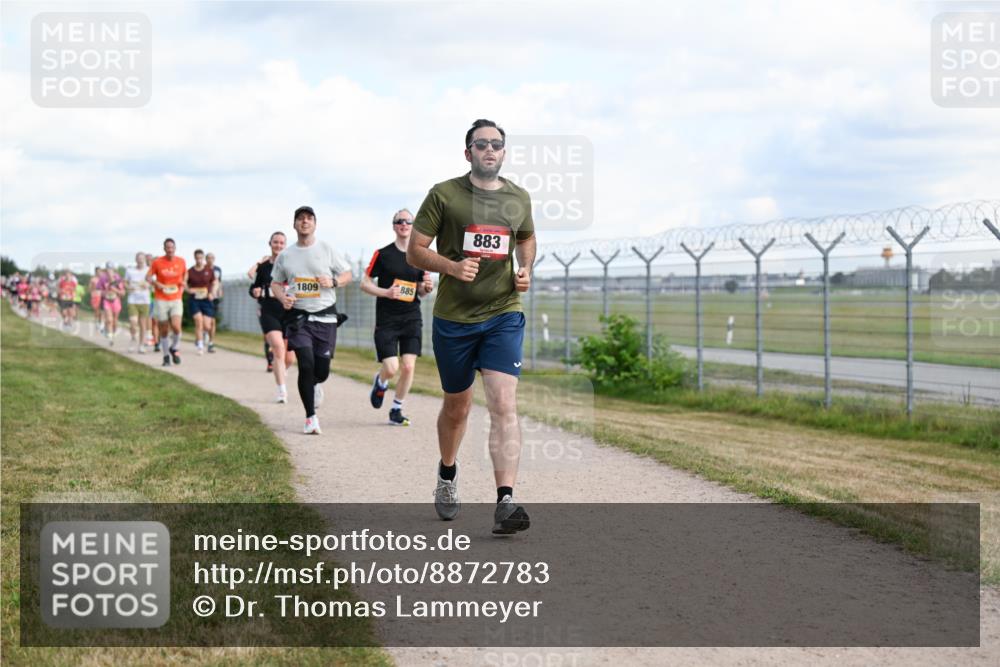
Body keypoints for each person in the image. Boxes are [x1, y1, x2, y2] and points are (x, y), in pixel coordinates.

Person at [407, 119, 536, 535]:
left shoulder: (518, 197)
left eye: (496, 145)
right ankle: (447, 474)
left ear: (504, 152)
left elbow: (527, 238)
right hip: (454, 319)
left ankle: (506, 501)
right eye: (481, 144)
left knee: (503, 403)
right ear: (468, 153)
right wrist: (452, 266)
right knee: (457, 407)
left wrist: (525, 268)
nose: (489, 150)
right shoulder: (444, 194)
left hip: (503, 313)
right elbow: (415, 251)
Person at [271, 206, 352, 435]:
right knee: (305, 364)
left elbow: (347, 274)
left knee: (321, 370)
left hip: (326, 317)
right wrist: (282, 297)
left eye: (309, 218)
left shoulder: (326, 249)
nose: (305, 222)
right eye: (300, 219)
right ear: (294, 224)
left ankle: (315, 384)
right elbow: (276, 283)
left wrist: (333, 282)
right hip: (299, 318)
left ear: (315, 224)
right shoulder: (286, 255)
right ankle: (310, 417)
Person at [361, 208, 434, 425]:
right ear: (394, 226)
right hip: (387, 319)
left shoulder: (419, 256)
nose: (404, 224)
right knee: (391, 367)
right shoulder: (382, 254)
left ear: (413, 227)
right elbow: (364, 284)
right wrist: (386, 292)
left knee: (409, 366)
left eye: (408, 222)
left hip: (411, 317)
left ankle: (396, 409)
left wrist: (426, 288)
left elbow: (420, 290)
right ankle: (381, 382)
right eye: (399, 221)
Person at [249, 232, 296, 403]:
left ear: (285, 245)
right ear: (270, 244)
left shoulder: (291, 265)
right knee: (277, 348)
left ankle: (281, 370)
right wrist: (255, 292)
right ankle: (281, 391)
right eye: (275, 242)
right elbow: (253, 287)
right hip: (269, 310)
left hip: (289, 312)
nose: (278, 245)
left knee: (289, 358)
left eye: (281, 243)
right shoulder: (263, 267)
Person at [147, 238, 187, 366]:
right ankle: (165, 357)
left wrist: (183, 282)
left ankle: (174, 347)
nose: (170, 249)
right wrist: (156, 283)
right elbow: (148, 277)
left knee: (176, 326)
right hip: (161, 299)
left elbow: (185, 274)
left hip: (176, 298)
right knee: (163, 329)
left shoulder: (181, 261)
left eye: (172, 247)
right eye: (167, 247)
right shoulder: (157, 262)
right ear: (164, 249)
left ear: (175, 248)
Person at [186, 249, 216, 356]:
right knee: (198, 322)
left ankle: (203, 335)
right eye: (197, 258)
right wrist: (189, 290)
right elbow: (184, 283)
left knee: (207, 326)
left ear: (203, 258)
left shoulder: (209, 270)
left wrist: (212, 293)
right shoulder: (190, 271)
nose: (199, 260)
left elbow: (215, 282)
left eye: (201, 258)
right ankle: (200, 345)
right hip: (194, 300)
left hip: (206, 300)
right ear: (194, 258)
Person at [125, 252, 151, 353]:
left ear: (144, 260)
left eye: (142, 258)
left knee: (142, 324)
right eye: (138, 258)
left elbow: (152, 282)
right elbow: (125, 282)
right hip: (132, 299)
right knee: (133, 322)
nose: (140, 260)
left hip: (145, 300)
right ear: (136, 259)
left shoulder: (148, 270)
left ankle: (141, 345)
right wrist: (128, 287)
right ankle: (133, 338)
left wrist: (147, 285)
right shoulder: (130, 270)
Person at [99, 263, 124, 344]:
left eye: (111, 270)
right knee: (109, 320)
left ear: (114, 271)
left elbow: (123, 293)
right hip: (107, 301)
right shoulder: (103, 279)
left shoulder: (118, 280)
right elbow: (100, 291)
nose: (109, 272)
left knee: (115, 321)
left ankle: (112, 333)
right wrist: (105, 292)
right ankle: (110, 338)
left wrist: (115, 290)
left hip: (116, 301)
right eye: (107, 270)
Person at [206, 252, 222, 353]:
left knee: (212, 321)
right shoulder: (203, 269)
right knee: (205, 322)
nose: (210, 259)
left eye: (212, 258)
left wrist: (220, 291)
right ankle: (204, 335)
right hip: (203, 297)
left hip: (214, 297)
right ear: (206, 259)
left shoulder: (218, 270)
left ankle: (211, 342)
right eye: (208, 258)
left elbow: (219, 281)